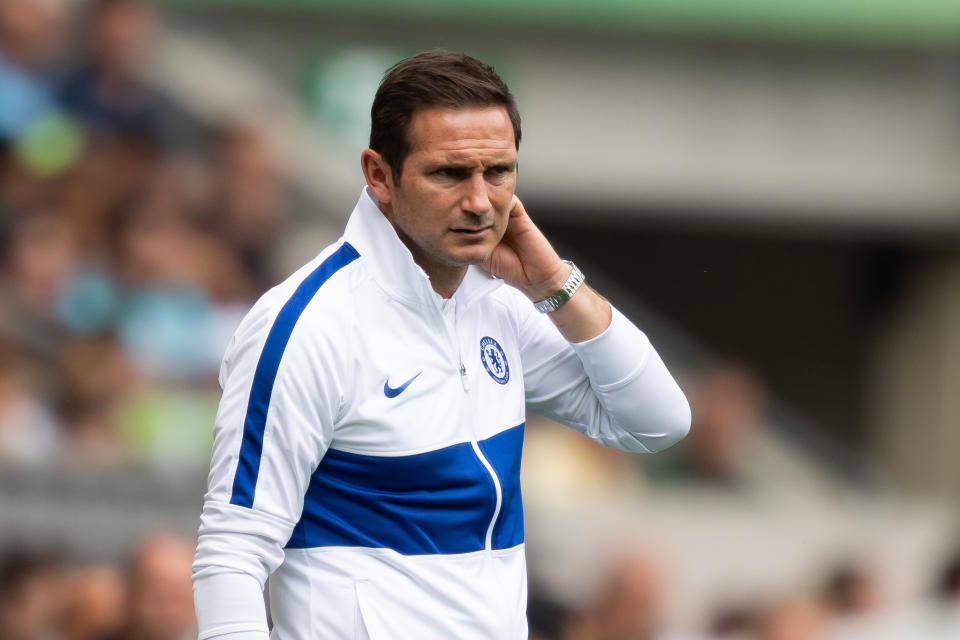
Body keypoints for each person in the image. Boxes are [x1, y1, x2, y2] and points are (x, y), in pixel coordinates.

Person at [192, 50, 690, 639]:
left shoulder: (505, 301)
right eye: (450, 173)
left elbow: (658, 421)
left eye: (498, 171)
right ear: (379, 175)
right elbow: (232, 554)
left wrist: (557, 283)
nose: (480, 201)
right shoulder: (307, 325)